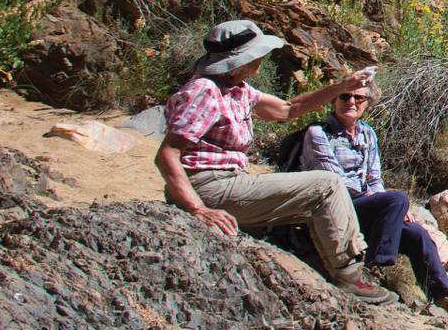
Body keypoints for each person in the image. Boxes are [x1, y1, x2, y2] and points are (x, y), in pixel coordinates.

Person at [155, 19, 394, 304]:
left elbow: (287, 109)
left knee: (317, 192)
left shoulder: (238, 90)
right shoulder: (205, 91)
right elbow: (167, 154)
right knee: (327, 185)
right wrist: (198, 209)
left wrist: (343, 85)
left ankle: (321, 261)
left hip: (231, 181)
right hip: (207, 186)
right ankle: (349, 277)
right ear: (244, 60)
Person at [301, 82, 448, 311]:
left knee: (417, 233)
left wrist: (392, 211)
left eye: (358, 98)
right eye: (345, 96)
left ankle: (444, 294)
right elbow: (333, 182)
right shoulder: (318, 134)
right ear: (333, 100)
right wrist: (388, 204)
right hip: (333, 206)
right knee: (396, 200)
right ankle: (375, 268)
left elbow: (375, 179)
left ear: (367, 104)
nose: (351, 102)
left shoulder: (367, 134)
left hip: (364, 207)